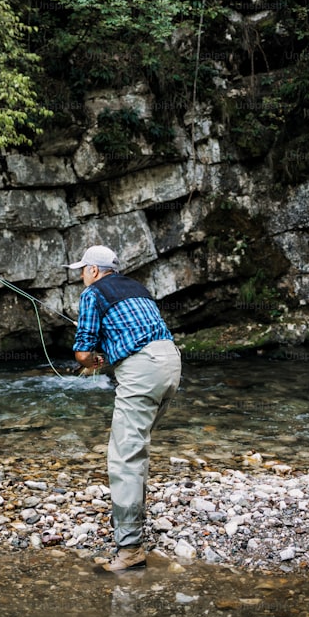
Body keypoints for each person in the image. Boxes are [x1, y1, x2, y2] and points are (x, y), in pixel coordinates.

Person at [65, 245, 182, 572]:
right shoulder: (138, 288)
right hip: (171, 363)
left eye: (82, 269)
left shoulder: (92, 294)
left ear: (93, 270)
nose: (81, 276)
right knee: (136, 447)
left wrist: (92, 361)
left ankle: (130, 549)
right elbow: (134, 334)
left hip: (144, 370)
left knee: (125, 455)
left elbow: (83, 352)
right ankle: (133, 528)